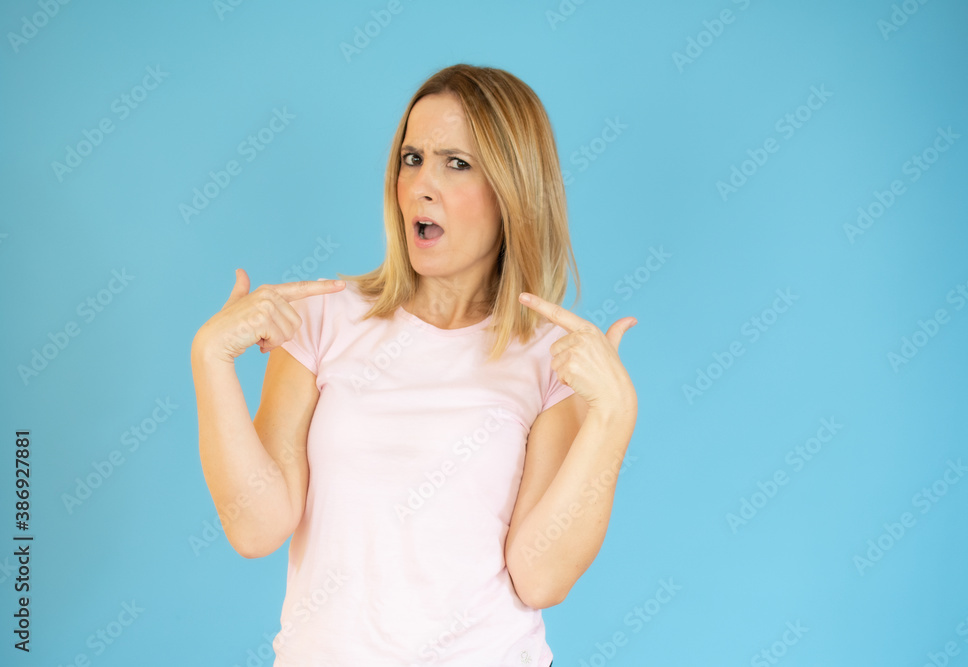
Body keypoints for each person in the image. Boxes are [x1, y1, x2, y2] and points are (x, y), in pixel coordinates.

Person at [191, 63, 638, 666]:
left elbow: (541, 578)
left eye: (457, 163)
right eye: (412, 158)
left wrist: (614, 416)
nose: (422, 184)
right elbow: (256, 528)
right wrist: (210, 359)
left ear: (513, 190)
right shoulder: (321, 318)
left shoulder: (549, 357)